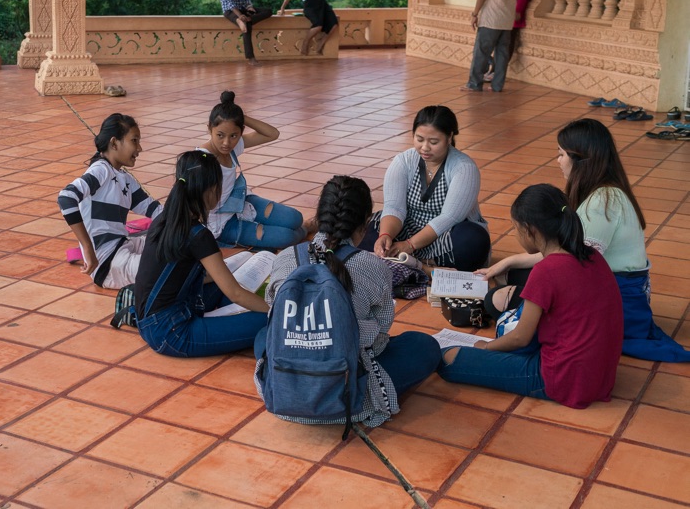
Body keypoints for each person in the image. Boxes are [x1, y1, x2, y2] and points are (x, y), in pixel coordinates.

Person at [479, 119, 689, 362]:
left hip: (617, 297)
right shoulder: (603, 191)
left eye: (561, 154)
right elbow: (568, 252)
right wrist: (510, 261)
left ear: (579, 159)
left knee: (495, 300)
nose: (558, 161)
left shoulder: (602, 202)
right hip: (607, 282)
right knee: (511, 276)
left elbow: (574, 265)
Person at [264, 175, 440, 426]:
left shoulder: (285, 259)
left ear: (319, 217)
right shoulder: (372, 265)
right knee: (423, 345)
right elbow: (380, 328)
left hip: (284, 390)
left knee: (263, 336)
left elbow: (274, 314)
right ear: (365, 223)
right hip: (348, 392)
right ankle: (361, 401)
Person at [438, 184, 623, 408]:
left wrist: (485, 347)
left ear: (530, 230)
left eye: (515, 228)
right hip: (599, 377)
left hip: (561, 379)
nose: (515, 233)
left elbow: (520, 338)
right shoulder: (591, 254)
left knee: (448, 359)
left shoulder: (546, 271)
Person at [133, 150, 274, 357]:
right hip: (173, 333)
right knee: (271, 320)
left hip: (151, 320)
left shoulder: (163, 220)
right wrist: (275, 309)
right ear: (211, 191)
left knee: (225, 285)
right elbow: (234, 292)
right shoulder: (198, 235)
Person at [359, 105, 490, 271]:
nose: (425, 147)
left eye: (433, 142)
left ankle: (409, 262)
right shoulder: (403, 161)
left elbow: (449, 218)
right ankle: (422, 264)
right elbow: (394, 207)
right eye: (419, 139)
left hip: (445, 235)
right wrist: (386, 236)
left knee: (473, 241)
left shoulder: (464, 168)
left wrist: (410, 245)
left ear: (449, 137)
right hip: (406, 228)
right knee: (364, 229)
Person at [58, 114, 163, 288]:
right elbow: (66, 198)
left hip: (124, 245)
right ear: (114, 143)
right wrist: (87, 248)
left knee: (173, 245)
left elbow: (155, 210)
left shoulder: (124, 178)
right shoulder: (101, 170)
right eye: (134, 141)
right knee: (168, 270)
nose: (140, 148)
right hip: (107, 263)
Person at [200, 91, 306, 250]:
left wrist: (240, 116)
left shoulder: (233, 146)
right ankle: (308, 229)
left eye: (234, 136)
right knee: (287, 237)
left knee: (294, 218)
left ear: (241, 131)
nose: (226, 143)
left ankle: (266, 226)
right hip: (221, 222)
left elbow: (272, 134)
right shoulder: (201, 160)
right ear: (209, 129)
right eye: (220, 135)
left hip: (240, 201)